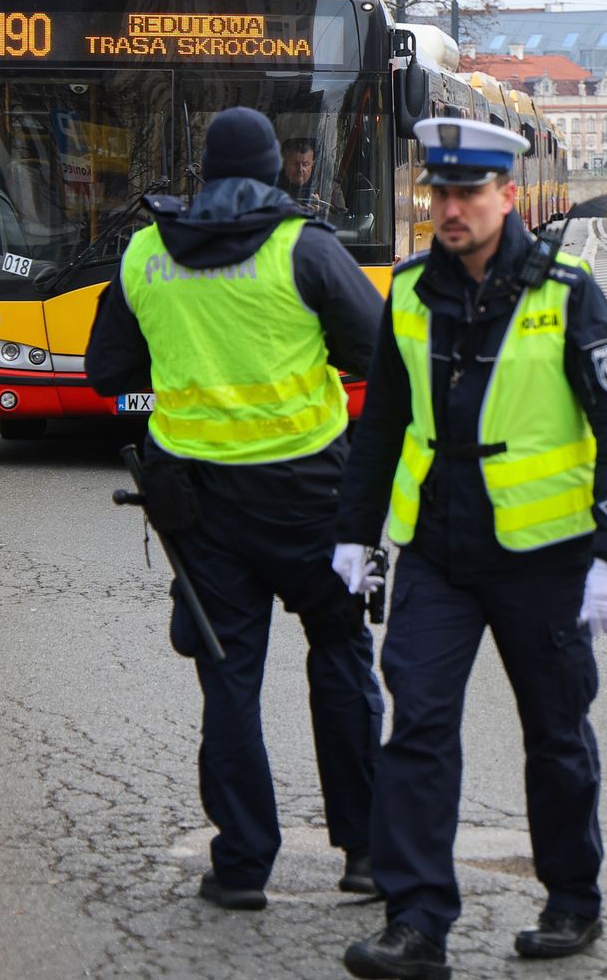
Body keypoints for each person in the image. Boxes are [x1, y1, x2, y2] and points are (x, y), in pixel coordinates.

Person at [336, 117, 607, 980]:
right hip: (439, 552)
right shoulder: (405, 293)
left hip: (544, 557)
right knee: (420, 726)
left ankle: (572, 899)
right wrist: (355, 540)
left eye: (469, 192)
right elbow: (381, 431)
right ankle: (417, 922)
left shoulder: (566, 290)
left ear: (508, 195)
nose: (451, 208)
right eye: (440, 193)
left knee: (554, 733)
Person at [85, 106, 386, 911]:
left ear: (205, 175)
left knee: (229, 684)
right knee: (341, 659)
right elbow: (374, 352)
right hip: (312, 499)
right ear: (274, 169)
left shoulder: (145, 253)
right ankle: (365, 853)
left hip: (200, 508)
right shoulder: (306, 248)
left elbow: (108, 373)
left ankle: (243, 863)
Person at [279, 135, 336, 214]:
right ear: (284, 163)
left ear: (312, 164)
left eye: (305, 164)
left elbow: (342, 217)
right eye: (295, 164)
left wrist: (320, 210)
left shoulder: (330, 187)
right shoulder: (271, 186)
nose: (300, 169)